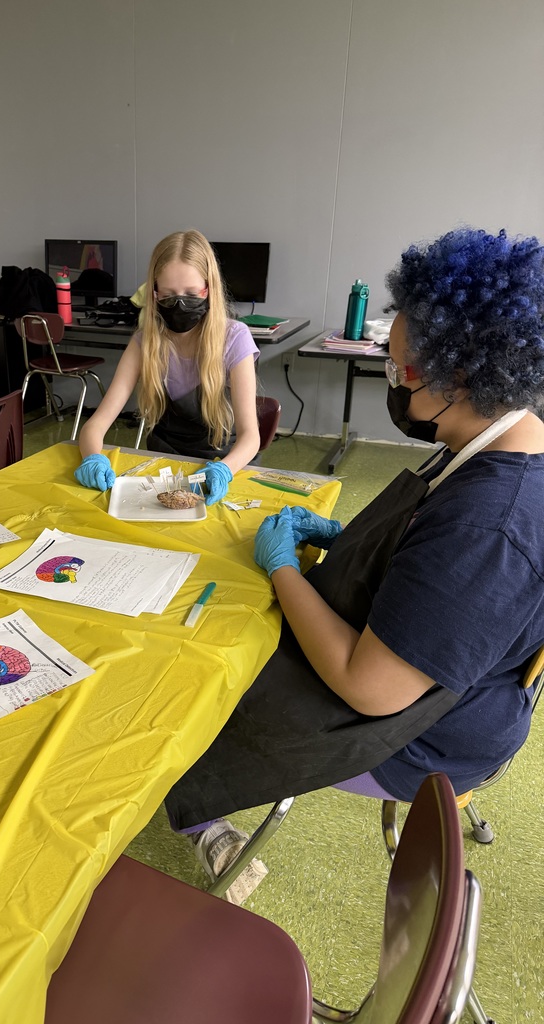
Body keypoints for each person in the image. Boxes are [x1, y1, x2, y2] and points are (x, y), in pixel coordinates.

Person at [164, 226, 544, 900]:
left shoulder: (491, 526)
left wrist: (284, 569)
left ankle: (200, 813)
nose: (394, 383)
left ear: (461, 374)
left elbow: (367, 686)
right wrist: (350, 542)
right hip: (430, 679)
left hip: (417, 735)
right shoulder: (500, 440)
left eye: (401, 370)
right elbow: (430, 559)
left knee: (192, 685)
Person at [75, 229, 261, 505]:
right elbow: (94, 426)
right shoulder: (144, 343)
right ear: (154, 293)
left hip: (226, 462)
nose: (180, 303)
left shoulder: (234, 338)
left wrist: (224, 470)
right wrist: (92, 458)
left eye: (190, 293)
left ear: (208, 290)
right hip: (164, 464)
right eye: (169, 295)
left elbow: (250, 437)